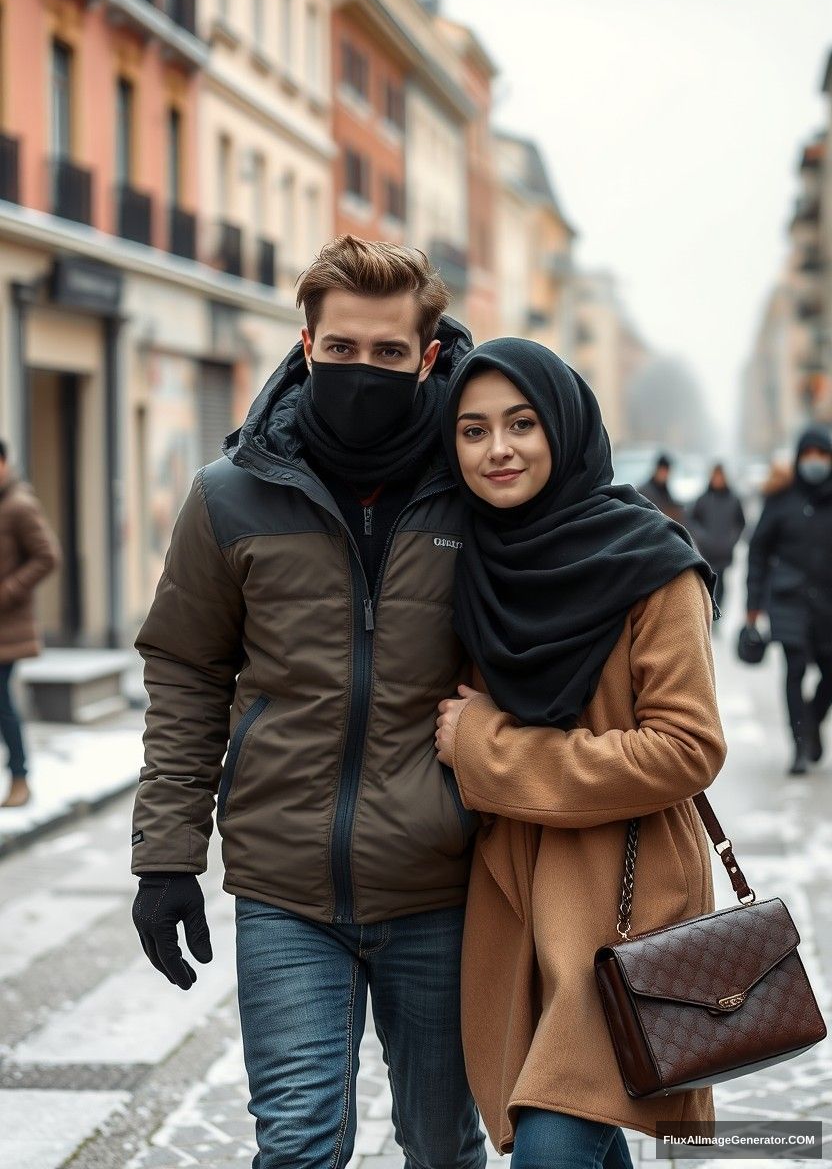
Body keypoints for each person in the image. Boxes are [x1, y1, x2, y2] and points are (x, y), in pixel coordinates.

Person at [130, 236, 487, 1169]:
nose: (361, 371)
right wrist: (167, 856)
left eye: (388, 354)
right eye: (340, 351)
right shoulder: (229, 496)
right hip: (286, 889)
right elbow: (186, 673)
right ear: (305, 344)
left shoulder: (479, 496)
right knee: (297, 1146)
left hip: (443, 887)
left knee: (445, 1147)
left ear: (429, 356)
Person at [433, 340, 726, 1167]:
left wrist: (488, 747)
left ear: (563, 426)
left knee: (555, 1143)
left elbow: (686, 747)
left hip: (626, 908)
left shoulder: (652, 560)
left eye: (522, 423)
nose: (499, 449)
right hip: (515, 904)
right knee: (578, 1128)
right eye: (473, 430)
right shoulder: (473, 561)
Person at [746, 427, 832, 776]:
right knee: (794, 670)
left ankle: (811, 721)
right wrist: (753, 607)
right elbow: (758, 551)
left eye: (822, 453)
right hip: (789, 600)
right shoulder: (781, 499)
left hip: (828, 602)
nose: (815, 461)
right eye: (808, 453)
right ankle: (798, 745)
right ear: (798, 458)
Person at [0, 439, 61, 808]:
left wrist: (7, 591)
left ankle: (20, 779)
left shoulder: (19, 505)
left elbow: (47, 556)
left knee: (2, 703)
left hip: (7, 626)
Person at [688, 462, 746, 612]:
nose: (718, 480)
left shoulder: (733, 499)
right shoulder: (703, 499)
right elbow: (693, 520)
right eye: (715, 476)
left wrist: (731, 540)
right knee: (707, 582)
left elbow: (741, 523)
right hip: (707, 551)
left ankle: (718, 612)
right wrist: (701, 537)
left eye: (720, 476)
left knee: (721, 584)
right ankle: (707, 610)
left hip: (724, 551)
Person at [637, 453, 687, 525]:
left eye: (667, 472)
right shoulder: (644, 491)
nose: (665, 475)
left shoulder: (664, 489)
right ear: (657, 470)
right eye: (663, 471)